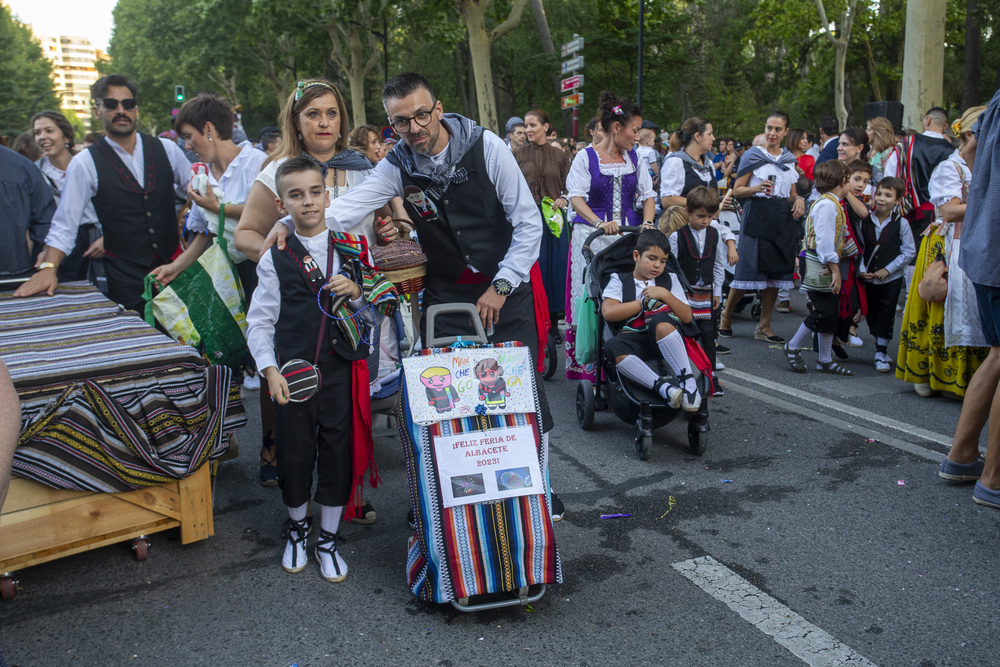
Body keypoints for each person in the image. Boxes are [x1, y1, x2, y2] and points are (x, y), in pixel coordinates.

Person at [237, 72, 565, 521]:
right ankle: (446, 495)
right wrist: (291, 224)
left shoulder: (487, 146)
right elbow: (346, 211)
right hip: (446, 291)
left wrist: (502, 285)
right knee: (444, 394)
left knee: (521, 392)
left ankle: (541, 486)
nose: (415, 128)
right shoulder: (395, 164)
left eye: (422, 115)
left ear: (438, 107)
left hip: (505, 288)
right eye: (401, 122)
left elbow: (528, 224)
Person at [235, 78, 389, 507]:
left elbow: (384, 231)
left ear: (342, 120)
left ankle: (348, 494)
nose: (324, 122)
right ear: (296, 122)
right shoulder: (277, 171)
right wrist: (281, 256)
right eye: (313, 114)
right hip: (301, 308)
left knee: (354, 405)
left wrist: (393, 228)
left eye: (332, 113)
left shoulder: (367, 167)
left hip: (356, 302)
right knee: (301, 407)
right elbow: (245, 235)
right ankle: (298, 492)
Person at [246, 157, 396, 580]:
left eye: (315, 192)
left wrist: (359, 291)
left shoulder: (352, 248)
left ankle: (328, 540)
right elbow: (260, 320)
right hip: (292, 376)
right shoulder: (274, 256)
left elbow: (382, 315)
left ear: (328, 196)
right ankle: (297, 529)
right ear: (281, 203)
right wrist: (269, 370)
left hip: (342, 371)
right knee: (294, 454)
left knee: (337, 453)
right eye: (296, 195)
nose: (308, 202)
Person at [14, 74, 191, 310]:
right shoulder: (85, 163)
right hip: (125, 278)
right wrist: (49, 268)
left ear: (136, 109)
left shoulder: (167, 149)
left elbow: (196, 193)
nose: (121, 110)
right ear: (97, 111)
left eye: (128, 104)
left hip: (176, 268)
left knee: (191, 342)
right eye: (111, 104)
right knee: (135, 341)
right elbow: (65, 224)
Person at [897, 105, 989, 398]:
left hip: (978, 244)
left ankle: (973, 377)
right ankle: (930, 374)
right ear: (974, 135)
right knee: (941, 305)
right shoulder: (949, 167)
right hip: (947, 246)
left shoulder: (988, 168)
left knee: (974, 308)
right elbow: (949, 211)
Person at [565, 91, 656, 382]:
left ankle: (624, 355)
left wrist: (650, 222)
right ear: (616, 128)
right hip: (591, 237)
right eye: (634, 130)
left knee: (624, 294)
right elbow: (576, 198)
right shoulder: (585, 157)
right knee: (591, 298)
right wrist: (598, 222)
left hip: (626, 238)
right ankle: (591, 368)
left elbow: (648, 195)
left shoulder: (635, 158)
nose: (637, 136)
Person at [942, 91, 1000, 508]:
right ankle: (993, 479)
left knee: (997, 354)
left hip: (984, 246)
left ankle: (962, 456)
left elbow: (974, 144)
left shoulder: (997, 101)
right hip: (994, 249)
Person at [719, 111, 807, 343]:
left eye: (778, 129)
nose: (772, 133)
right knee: (748, 270)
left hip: (781, 218)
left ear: (786, 132)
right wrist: (755, 189)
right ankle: (726, 315)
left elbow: (792, 194)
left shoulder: (788, 160)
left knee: (776, 272)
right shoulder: (753, 155)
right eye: (769, 128)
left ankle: (764, 325)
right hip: (757, 214)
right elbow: (737, 189)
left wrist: (798, 200)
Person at [601, 229, 702, 411]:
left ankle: (688, 383)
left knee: (661, 321)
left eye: (663, 261)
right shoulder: (620, 280)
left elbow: (687, 317)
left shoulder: (669, 280)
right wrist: (643, 303)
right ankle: (665, 389)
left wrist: (665, 295)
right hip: (636, 339)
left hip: (666, 338)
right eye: (652, 259)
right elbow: (608, 312)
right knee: (611, 347)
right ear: (636, 256)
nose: (657, 266)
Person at [782, 160, 856, 375]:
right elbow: (824, 242)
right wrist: (834, 269)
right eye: (849, 180)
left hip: (822, 262)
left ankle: (824, 358)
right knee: (824, 311)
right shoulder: (827, 205)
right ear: (843, 181)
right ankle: (793, 345)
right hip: (820, 263)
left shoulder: (828, 202)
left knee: (830, 311)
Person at [513, 108, 571, 344]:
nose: (528, 130)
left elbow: (572, 187)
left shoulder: (560, 156)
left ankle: (554, 324)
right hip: (527, 219)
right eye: (526, 126)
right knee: (533, 268)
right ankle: (537, 320)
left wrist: (565, 198)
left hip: (554, 219)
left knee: (557, 269)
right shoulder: (518, 155)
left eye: (533, 125)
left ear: (546, 127)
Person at [30, 110, 105, 290]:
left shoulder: (88, 166)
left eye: (49, 131)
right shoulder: (34, 174)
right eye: (37, 133)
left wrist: (107, 238)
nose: (42, 137)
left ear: (66, 137)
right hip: (55, 245)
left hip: (94, 241)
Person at [665, 187, 727, 395]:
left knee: (708, 334)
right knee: (684, 333)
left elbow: (718, 264)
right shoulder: (677, 236)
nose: (705, 221)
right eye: (701, 216)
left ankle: (710, 378)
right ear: (689, 212)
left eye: (710, 216)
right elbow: (671, 268)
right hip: (685, 293)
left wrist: (717, 291)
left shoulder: (714, 234)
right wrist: (674, 294)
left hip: (707, 293)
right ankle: (685, 375)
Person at [857, 176, 915, 372]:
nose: (881, 199)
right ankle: (878, 346)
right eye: (879, 194)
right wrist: (862, 270)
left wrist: (888, 269)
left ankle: (881, 352)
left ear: (897, 200)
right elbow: (859, 247)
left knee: (886, 313)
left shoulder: (902, 223)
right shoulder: (864, 221)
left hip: (891, 278)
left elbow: (909, 251)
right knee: (871, 313)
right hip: (868, 277)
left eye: (888, 195)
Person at [0, 144, 55, 280]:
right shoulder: (23, 166)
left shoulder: (22, 167)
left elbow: (47, 223)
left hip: (13, 276)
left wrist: (47, 257)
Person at [659, 117, 716, 210]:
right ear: (697, 136)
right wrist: (703, 204)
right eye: (709, 134)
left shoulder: (708, 164)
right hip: (681, 222)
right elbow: (667, 200)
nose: (713, 138)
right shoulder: (676, 162)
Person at [866, 116, 899, 186]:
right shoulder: (867, 151)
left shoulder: (889, 152)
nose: (865, 133)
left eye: (868, 130)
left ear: (878, 133)